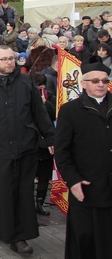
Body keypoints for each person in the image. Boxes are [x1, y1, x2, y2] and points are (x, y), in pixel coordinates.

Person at [0, 45, 55, 255]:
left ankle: (18, 237)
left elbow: (39, 112)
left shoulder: (26, 82)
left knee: (22, 193)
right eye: (4, 59)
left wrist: (51, 137)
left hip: (25, 146)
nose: (9, 62)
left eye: (11, 59)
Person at [54, 59, 112, 259]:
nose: (101, 84)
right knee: (85, 241)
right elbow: (62, 151)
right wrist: (73, 180)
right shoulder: (70, 110)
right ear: (84, 83)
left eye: (104, 80)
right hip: (86, 188)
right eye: (95, 81)